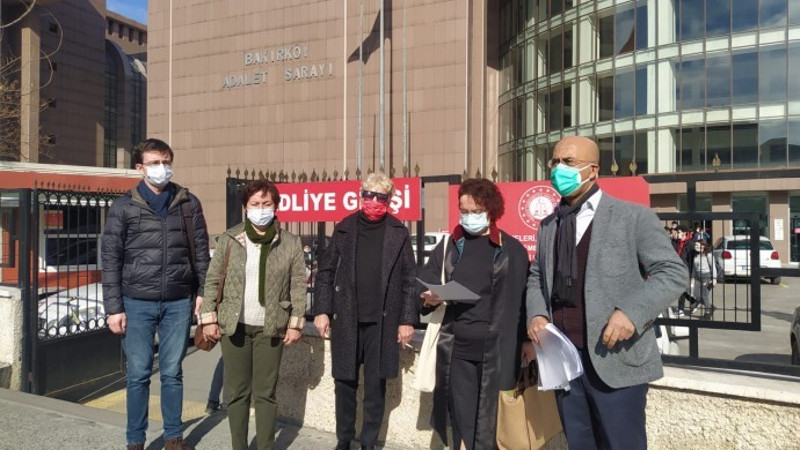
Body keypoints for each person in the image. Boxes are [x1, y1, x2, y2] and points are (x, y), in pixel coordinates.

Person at [526, 136, 686, 449]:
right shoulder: (549, 225)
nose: (558, 169)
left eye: (568, 162)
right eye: (554, 161)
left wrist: (631, 313)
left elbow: (673, 273)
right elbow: (536, 276)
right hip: (565, 360)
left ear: (593, 170)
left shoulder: (632, 217)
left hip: (616, 359)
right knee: (579, 443)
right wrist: (537, 314)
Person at [102, 138, 210, 450]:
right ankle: (135, 440)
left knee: (172, 372)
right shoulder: (124, 207)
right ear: (140, 168)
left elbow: (201, 253)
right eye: (154, 162)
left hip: (178, 301)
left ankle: (173, 437)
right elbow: (111, 259)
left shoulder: (188, 203)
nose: (161, 167)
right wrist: (114, 308)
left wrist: (203, 292)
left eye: (165, 161)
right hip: (136, 303)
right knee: (138, 374)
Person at [417, 178, 529, 450]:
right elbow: (424, 286)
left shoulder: (511, 249)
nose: (469, 217)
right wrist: (430, 299)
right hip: (457, 347)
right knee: (462, 417)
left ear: (491, 210)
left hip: (498, 350)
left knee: (491, 420)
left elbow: (524, 298)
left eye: (476, 211)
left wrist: (527, 340)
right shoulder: (450, 246)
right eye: (464, 211)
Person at [312, 172, 418, 450]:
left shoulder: (398, 232)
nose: (373, 201)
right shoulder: (344, 228)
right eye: (368, 195)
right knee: (344, 383)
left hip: (382, 321)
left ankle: (368, 442)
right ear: (361, 196)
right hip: (347, 317)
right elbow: (325, 272)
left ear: (389, 200)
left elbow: (409, 279)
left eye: (380, 197)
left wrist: (407, 319)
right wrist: (322, 310)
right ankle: (344, 439)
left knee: (375, 386)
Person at [199, 179, 306, 450]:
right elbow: (212, 280)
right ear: (246, 207)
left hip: (270, 327)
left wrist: (295, 324)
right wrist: (209, 318)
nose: (261, 209)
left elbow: (298, 285)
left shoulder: (290, 243)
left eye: (266, 203)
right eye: (255, 204)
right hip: (234, 326)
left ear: (275, 206)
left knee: (265, 394)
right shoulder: (230, 239)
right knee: (236, 393)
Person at [689, 240, 718, 318]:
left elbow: (713, 267)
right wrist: (692, 278)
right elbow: (694, 268)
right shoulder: (696, 255)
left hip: (706, 276)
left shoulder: (708, 255)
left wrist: (714, 278)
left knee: (704, 295)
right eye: (695, 245)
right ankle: (709, 307)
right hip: (697, 277)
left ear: (703, 245)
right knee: (697, 295)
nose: (696, 247)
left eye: (698, 245)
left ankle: (707, 313)